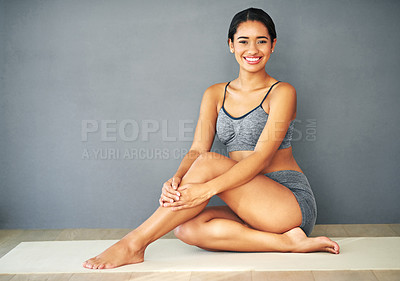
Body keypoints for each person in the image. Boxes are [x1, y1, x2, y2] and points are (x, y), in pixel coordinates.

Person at [82, 7, 340, 270]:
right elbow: (196, 149)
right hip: (248, 204)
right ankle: (288, 243)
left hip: (287, 203)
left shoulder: (282, 92)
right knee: (187, 229)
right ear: (230, 45)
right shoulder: (215, 94)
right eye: (243, 41)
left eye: (261, 41)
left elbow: (261, 158)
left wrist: (206, 190)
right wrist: (176, 179)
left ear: (273, 45)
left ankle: (132, 245)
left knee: (208, 163)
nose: (252, 49)